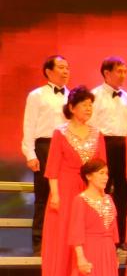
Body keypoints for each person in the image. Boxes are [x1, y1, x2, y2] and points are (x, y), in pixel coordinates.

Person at [41, 85, 106, 276]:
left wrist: (100, 191)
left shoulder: (97, 134)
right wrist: (55, 194)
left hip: (90, 188)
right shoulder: (60, 132)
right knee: (65, 232)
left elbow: (102, 166)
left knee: (87, 231)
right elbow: (52, 167)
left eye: (90, 105)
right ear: (71, 107)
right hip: (66, 188)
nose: (88, 109)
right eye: (84, 105)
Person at [66, 159, 125, 276]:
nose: (105, 177)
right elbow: (76, 231)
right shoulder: (80, 200)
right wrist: (80, 258)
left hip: (107, 250)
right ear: (89, 176)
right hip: (89, 249)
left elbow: (113, 229)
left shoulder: (109, 199)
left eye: (106, 173)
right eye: (101, 173)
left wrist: (114, 252)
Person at [22, 55, 70, 252]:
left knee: (65, 195)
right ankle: (39, 241)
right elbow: (29, 125)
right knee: (43, 195)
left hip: (67, 147)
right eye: (61, 67)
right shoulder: (37, 95)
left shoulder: (72, 96)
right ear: (49, 71)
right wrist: (30, 154)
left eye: (67, 67)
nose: (66, 71)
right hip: (45, 146)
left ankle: (62, 240)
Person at [89, 57, 127, 244]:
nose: (123, 75)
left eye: (125, 71)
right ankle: (101, 234)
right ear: (106, 73)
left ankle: (121, 237)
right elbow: (90, 126)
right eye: (119, 71)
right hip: (103, 145)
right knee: (102, 189)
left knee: (123, 193)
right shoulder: (94, 96)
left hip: (125, 146)